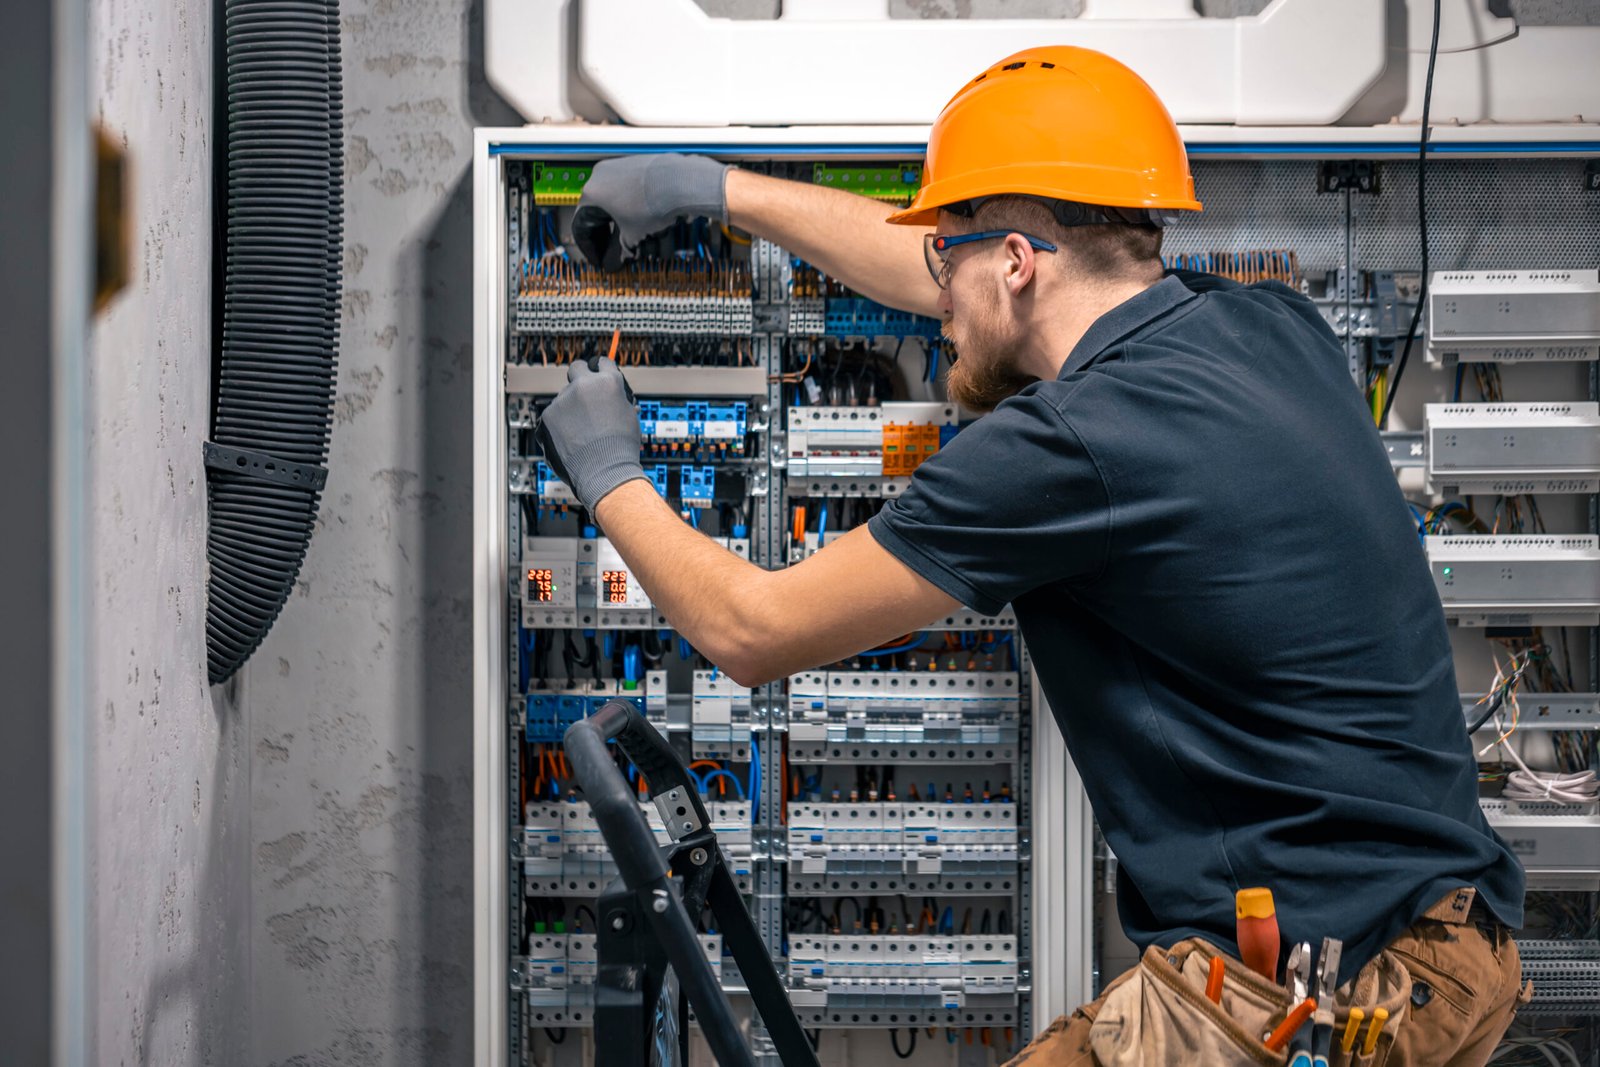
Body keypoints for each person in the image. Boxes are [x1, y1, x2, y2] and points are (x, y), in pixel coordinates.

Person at [537, 45, 1527, 1066]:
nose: (934, 297)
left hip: (1339, 992)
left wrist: (611, 471)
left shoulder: (1067, 443)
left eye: (947, 260)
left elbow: (752, 628)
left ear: (1016, 261)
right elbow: (951, 271)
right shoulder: (1265, 323)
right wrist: (711, 190)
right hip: (1451, 940)